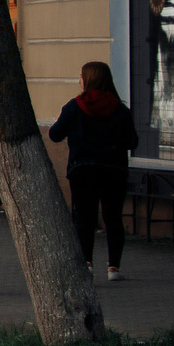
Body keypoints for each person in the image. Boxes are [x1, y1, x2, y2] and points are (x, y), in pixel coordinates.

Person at [50, 61, 138, 281]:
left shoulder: (73, 107)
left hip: (83, 170)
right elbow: (132, 141)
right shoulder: (120, 109)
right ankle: (113, 268)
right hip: (114, 170)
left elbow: (54, 134)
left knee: (84, 218)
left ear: (88, 79)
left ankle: (87, 263)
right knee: (113, 218)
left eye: (81, 76)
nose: (78, 80)